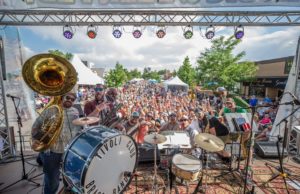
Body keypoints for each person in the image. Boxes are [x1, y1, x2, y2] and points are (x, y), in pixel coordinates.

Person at [32, 93, 81, 194]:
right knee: (52, 182)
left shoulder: (75, 111)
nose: (70, 100)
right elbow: (35, 126)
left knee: (69, 178)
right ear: (62, 97)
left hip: (68, 151)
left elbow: (80, 126)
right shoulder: (51, 110)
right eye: (68, 97)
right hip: (51, 151)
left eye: (73, 99)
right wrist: (35, 140)